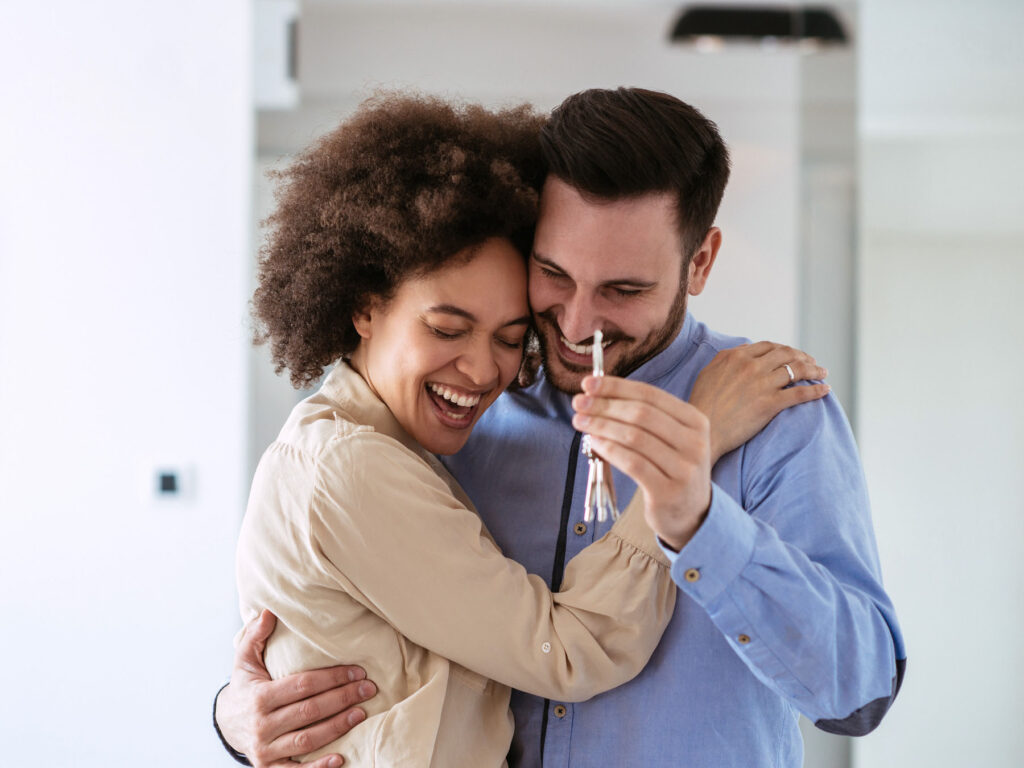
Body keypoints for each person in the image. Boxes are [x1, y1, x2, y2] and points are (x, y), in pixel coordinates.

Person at [217, 88, 898, 768]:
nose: (576, 325)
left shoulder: (774, 415)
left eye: (623, 290)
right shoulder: (458, 412)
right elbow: (344, 631)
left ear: (700, 261)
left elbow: (858, 695)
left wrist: (699, 523)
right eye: (553, 274)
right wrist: (238, 713)